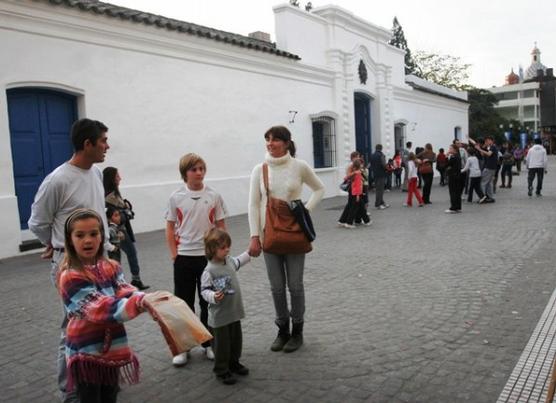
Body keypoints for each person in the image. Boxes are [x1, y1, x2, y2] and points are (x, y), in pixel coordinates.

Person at [28, 118, 112, 403]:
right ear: (86, 144)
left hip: (101, 261)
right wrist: (54, 243)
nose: (106, 146)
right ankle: (71, 391)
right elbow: (38, 222)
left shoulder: (97, 174)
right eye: (102, 141)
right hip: (71, 265)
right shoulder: (57, 180)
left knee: (102, 323)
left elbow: (100, 214)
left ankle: (101, 377)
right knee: (74, 329)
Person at [248, 125, 324, 353]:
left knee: (295, 286)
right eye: (267, 139)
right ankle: (282, 330)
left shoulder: (299, 166)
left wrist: (305, 211)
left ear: (287, 142)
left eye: (275, 140)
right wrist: (254, 235)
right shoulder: (259, 170)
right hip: (268, 234)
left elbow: (319, 189)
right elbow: (253, 204)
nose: (270, 143)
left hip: (293, 234)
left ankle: (297, 332)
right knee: (277, 287)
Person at [57, 209, 146, 403]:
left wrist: (147, 300)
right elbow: (98, 307)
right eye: (80, 235)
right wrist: (136, 304)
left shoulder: (111, 266)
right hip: (85, 353)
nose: (87, 240)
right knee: (90, 398)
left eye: (93, 234)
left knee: (109, 396)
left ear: (102, 236)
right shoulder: (70, 276)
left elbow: (124, 289)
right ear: (70, 239)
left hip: (111, 349)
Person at [165, 153, 227, 366]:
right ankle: (183, 347)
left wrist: (221, 253)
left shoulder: (214, 195)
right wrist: (174, 254)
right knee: (183, 304)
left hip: (207, 259)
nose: (199, 173)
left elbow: (220, 226)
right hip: (184, 258)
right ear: (185, 173)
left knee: (207, 302)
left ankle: (208, 343)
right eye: (194, 169)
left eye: (201, 168)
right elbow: (170, 227)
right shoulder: (176, 197)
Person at [201, 228, 251, 385]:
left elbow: (238, 261)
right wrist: (213, 297)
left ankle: (234, 363)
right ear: (212, 249)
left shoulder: (229, 261)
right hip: (219, 317)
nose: (227, 249)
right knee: (222, 345)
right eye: (223, 248)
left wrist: (250, 252)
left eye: (228, 246)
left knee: (236, 341)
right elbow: (204, 291)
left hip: (233, 312)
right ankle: (221, 369)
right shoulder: (209, 270)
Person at [103, 167, 149, 290]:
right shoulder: (110, 197)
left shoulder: (112, 194)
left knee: (116, 257)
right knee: (124, 255)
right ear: (112, 179)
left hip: (118, 229)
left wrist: (126, 210)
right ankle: (127, 281)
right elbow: (119, 215)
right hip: (117, 231)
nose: (120, 178)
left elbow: (124, 211)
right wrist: (127, 211)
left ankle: (120, 282)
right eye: (117, 176)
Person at [340, 159, 372, 228]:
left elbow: (346, 178)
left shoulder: (354, 173)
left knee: (360, 207)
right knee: (354, 209)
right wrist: (358, 195)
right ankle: (349, 223)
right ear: (359, 166)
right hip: (357, 193)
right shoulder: (358, 174)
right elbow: (358, 185)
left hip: (353, 192)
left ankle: (367, 221)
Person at [338, 151, 361, 224]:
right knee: (352, 204)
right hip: (352, 186)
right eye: (357, 156)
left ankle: (348, 220)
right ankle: (348, 220)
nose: (359, 158)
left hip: (354, 187)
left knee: (353, 204)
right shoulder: (351, 165)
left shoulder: (354, 165)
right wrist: (355, 173)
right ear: (353, 157)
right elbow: (348, 176)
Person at [475, 136, 498, 203]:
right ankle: (490, 197)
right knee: (489, 183)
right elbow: (483, 154)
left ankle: (483, 197)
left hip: (489, 167)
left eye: (487, 141)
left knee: (483, 182)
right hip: (492, 167)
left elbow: (489, 154)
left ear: (491, 141)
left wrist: (479, 149)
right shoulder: (490, 147)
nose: (486, 142)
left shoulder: (493, 147)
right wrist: (481, 148)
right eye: (486, 141)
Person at [369, 144, 390, 209]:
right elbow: (384, 164)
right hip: (381, 174)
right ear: (381, 148)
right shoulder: (381, 155)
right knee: (380, 190)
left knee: (378, 189)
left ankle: (382, 202)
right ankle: (378, 204)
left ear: (376, 148)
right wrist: (387, 168)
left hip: (375, 174)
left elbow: (370, 165)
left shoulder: (372, 155)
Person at [445, 144, 463, 213]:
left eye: (450, 148)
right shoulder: (458, 156)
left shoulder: (453, 157)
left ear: (454, 149)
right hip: (457, 176)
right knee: (457, 192)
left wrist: (446, 156)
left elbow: (446, 165)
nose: (449, 150)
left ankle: (453, 208)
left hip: (453, 176)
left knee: (453, 192)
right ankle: (458, 207)